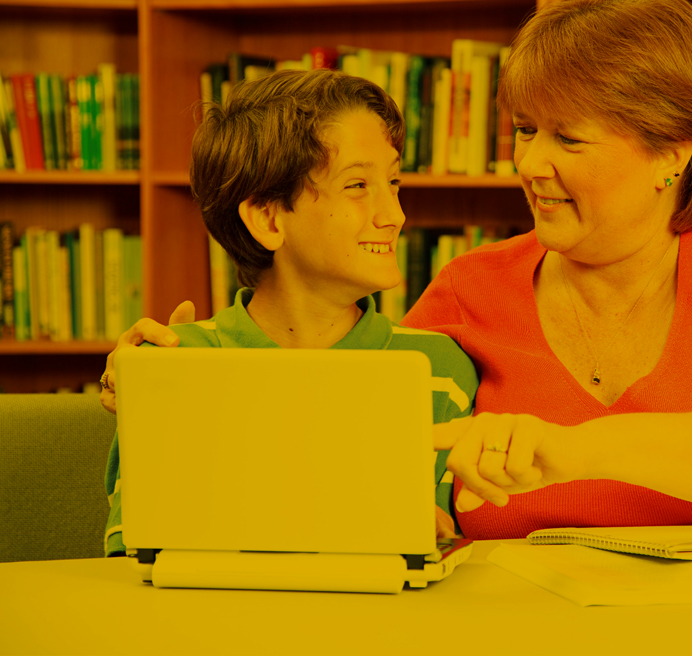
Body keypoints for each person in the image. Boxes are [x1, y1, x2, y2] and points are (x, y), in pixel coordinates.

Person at [101, 0, 692, 541]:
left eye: (569, 140)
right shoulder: (468, 291)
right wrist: (177, 393)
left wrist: (572, 450)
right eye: (525, 130)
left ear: (675, 150)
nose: (531, 164)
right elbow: (339, 450)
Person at [102, 69, 478, 557]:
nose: (394, 214)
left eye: (394, 181)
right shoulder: (173, 364)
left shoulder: (440, 369)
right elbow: (134, 549)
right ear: (268, 218)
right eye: (359, 185)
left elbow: (435, 554)